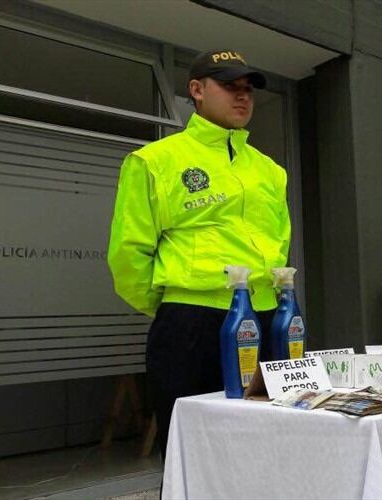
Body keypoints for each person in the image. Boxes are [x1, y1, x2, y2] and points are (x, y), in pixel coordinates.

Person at [107, 49, 291, 458]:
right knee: (191, 451)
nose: (242, 97)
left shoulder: (269, 170)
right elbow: (129, 253)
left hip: (263, 318)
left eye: (248, 90)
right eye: (230, 86)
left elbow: (279, 243)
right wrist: (175, 304)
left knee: (264, 444)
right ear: (197, 90)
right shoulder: (154, 161)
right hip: (191, 322)